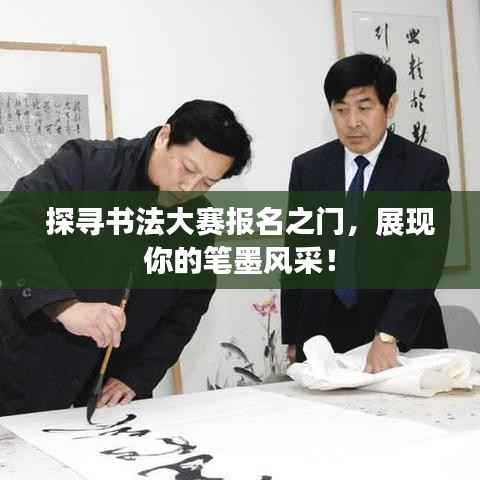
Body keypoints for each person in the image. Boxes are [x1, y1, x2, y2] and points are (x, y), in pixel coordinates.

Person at [0, 99, 251, 416]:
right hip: (28, 366)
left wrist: (137, 375)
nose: (189, 187)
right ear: (164, 137)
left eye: (207, 183)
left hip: (113, 388)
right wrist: (64, 306)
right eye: (187, 169)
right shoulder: (86, 164)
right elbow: (12, 226)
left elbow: (190, 304)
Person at [281, 54, 450, 373]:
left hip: (400, 336)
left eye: (364, 107)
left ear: (390, 106)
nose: (352, 122)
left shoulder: (425, 169)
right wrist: (293, 335)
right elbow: (297, 253)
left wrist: (388, 334)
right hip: (324, 336)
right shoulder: (309, 168)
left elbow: (424, 261)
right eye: (341, 109)